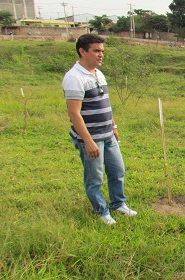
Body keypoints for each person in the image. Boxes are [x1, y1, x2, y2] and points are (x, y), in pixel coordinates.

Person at [62, 34, 137, 225]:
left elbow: (106, 103)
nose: (101, 55)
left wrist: (113, 126)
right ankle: (101, 211)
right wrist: (88, 141)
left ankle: (118, 204)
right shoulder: (74, 78)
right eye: (96, 50)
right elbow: (74, 113)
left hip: (108, 134)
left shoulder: (98, 73)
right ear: (82, 51)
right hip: (91, 138)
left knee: (117, 171)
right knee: (95, 178)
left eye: (102, 51)